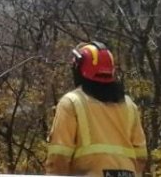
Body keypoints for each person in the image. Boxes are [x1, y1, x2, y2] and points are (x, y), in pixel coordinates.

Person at [46, 41, 148, 177]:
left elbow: (59, 157)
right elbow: (141, 155)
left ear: (78, 69)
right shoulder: (129, 105)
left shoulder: (71, 102)